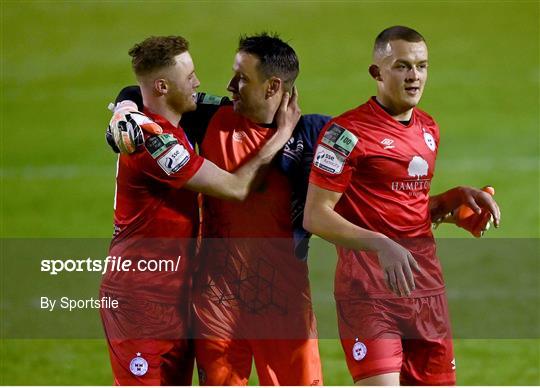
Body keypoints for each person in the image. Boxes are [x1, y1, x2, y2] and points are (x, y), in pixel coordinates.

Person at [107, 33, 328, 385]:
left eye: (242, 78)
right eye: (233, 74)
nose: (227, 86)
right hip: (202, 299)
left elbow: (371, 177)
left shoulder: (312, 134)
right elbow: (141, 92)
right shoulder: (201, 120)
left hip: (275, 301)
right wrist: (123, 110)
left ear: (273, 87)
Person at [303, 26, 501, 386]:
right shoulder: (343, 134)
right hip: (369, 294)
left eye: (422, 66)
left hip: (426, 291)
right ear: (376, 73)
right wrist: (381, 243)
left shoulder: (428, 129)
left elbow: (406, 209)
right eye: (402, 66)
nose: (415, 76)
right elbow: (316, 216)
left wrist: (453, 202)